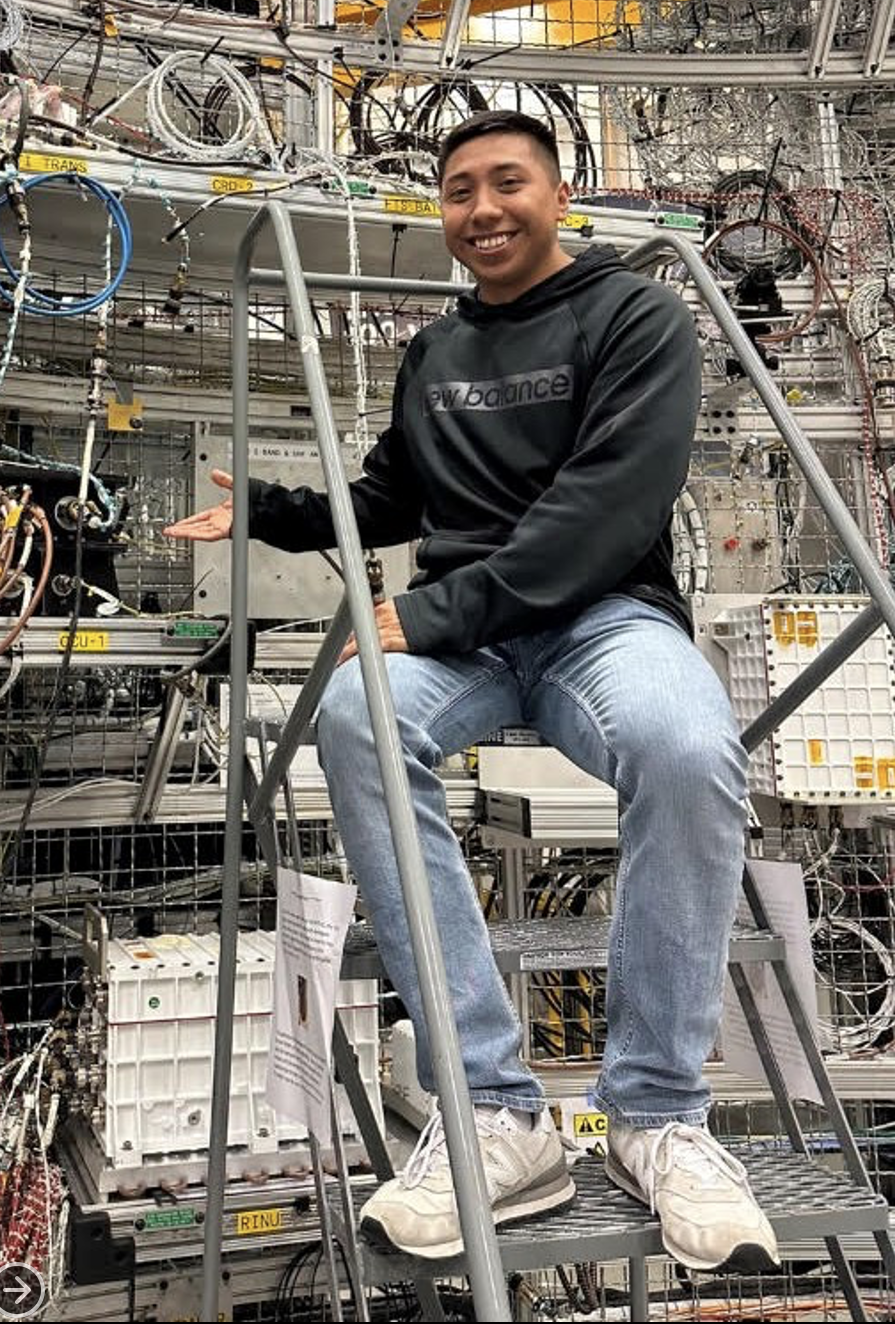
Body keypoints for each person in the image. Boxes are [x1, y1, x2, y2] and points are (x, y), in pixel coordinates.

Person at [164, 110, 778, 1273]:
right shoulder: (435, 354)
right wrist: (268, 512)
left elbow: (606, 508)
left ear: (559, 195)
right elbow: (389, 498)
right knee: (357, 716)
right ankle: (492, 1110)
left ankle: (656, 1112)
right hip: (473, 640)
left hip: (602, 615)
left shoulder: (635, 315)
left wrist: (439, 610)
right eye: (458, 190)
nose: (483, 208)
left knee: (687, 745)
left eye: (508, 182)